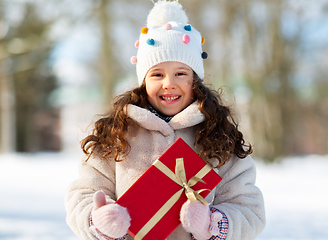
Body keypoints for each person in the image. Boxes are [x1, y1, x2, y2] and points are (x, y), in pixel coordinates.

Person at [65, 1, 266, 240]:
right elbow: (84, 193)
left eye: (181, 73)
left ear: (196, 81)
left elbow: (249, 209)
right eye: (157, 74)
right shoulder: (118, 133)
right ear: (143, 82)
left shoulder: (219, 138)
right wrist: (99, 218)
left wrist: (212, 224)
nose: (169, 83)